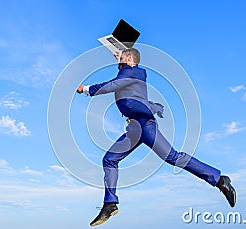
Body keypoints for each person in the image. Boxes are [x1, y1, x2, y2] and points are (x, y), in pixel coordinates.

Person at [76, 48, 236, 226]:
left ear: (129, 59)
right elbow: (122, 77)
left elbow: (111, 86)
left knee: (173, 157)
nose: (118, 60)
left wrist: (86, 89)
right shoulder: (129, 72)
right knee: (109, 159)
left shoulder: (132, 72)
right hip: (134, 128)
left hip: (145, 125)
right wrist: (119, 59)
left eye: (121, 58)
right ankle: (110, 204)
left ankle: (221, 181)